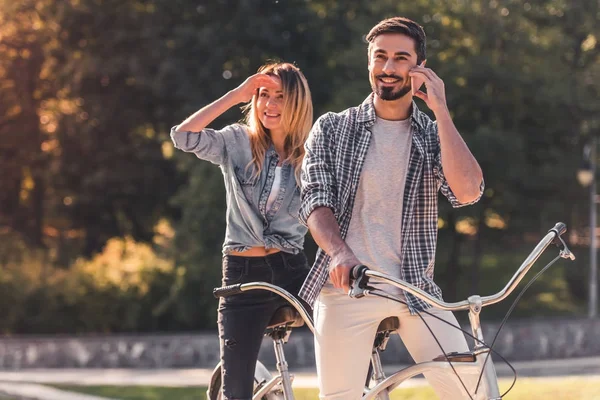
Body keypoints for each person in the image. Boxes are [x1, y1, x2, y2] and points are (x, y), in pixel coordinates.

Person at [298, 17, 485, 399]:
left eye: (401, 58)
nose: (388, 67)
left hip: (415, 288)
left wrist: (442, 111)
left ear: (419, 68)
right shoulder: (333, 128)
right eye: (380, 57)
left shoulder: (433, 135)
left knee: (474, 389)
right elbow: (315, 200)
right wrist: (339, 253)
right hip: (348, 289)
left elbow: (468, 192)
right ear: (369, 64)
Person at [171, 62, 313, 400]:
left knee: (349, 323)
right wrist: (236, 95)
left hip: (292, 270)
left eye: (280, 96)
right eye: (263, 95)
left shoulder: (313, 153)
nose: (270, 104)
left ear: (297, 102)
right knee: (235, 393)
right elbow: (183, 136)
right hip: (242, 275)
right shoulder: (237, 141)